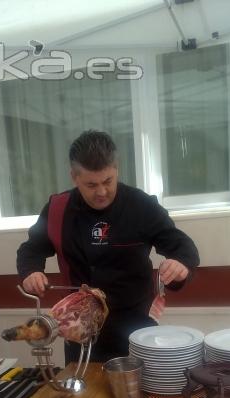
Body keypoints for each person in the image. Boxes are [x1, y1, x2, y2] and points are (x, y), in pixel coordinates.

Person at [17, 130, 200, 364]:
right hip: (78, 326)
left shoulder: (141, 206)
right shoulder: (57, 209)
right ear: (74, 176)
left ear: (116, 169)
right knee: (81, 394)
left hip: (134, 325)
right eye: (91, 184)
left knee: (137, 396)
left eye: (107, 181)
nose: (101, 192)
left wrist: (180, 265)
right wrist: (30, 272)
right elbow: (31, 249)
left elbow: (183, 247)